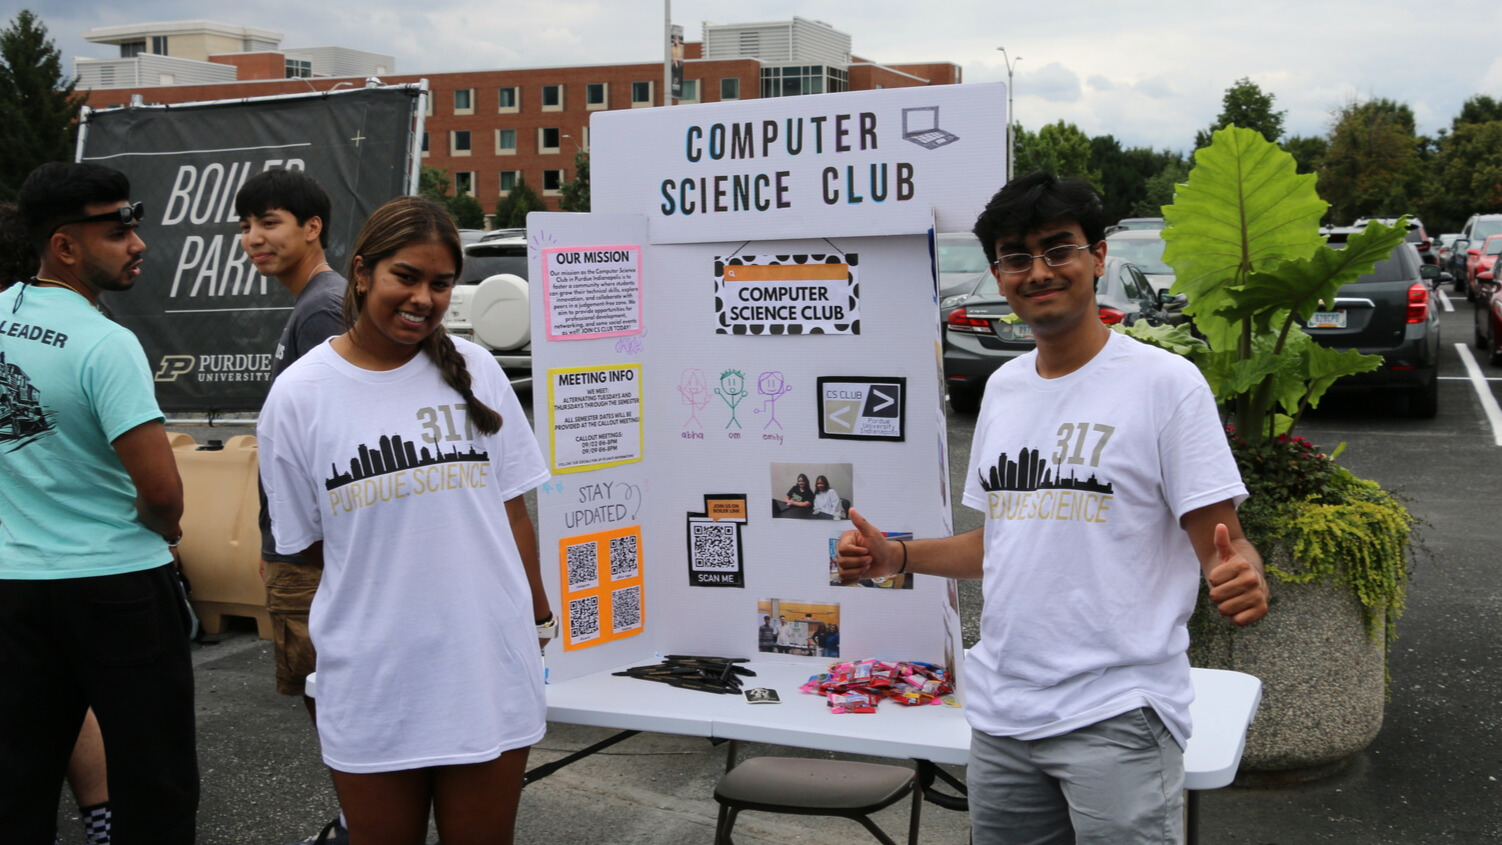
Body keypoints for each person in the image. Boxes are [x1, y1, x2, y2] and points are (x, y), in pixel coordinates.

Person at [837, 170, 1269, 844]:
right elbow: (1003, 541)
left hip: (1118, 714)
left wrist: (1243, 570)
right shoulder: (1006, 390)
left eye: (1058, 248)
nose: (1038, 271)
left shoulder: (1165, 386)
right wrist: (897, 556)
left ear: (1098, 256)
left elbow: (1224, 539)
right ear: (999, 274)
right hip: (1005, 713)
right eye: (1016, 256)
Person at [258, 196, 553, 845]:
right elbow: (301, 555)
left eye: (441, 282)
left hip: (487, 671)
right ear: (362, 272)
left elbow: (512, 511)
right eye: (407, 276)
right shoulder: (300, 396)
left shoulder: (477, 370)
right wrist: (330, 657)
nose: (424, 296)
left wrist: (537, 625)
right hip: (374, 684)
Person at [0, 162, 198, 843]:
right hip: (117, 588)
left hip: (14, 586)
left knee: (17, 779)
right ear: (64, 245)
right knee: (155, 778)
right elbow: (162, 490)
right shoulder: (107, 343)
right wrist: (161, 526)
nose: (138, 243)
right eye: (118, 231)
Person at [234, 167, 349, 845]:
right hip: (298, 552)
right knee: (325, 701)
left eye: (269, 222)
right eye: (247, 225)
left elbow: (334, 445)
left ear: (313, 229)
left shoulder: (321, 309)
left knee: (333, 702)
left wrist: (304, 551)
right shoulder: (312, 302)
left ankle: (361, 823)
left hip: (317, 560)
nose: (254, 238)